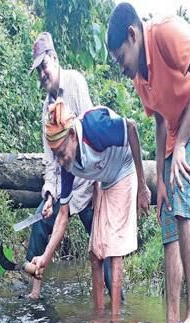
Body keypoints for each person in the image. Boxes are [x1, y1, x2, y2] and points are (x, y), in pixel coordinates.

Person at [106, 2, 190, 323]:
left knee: (183, 185)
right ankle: (172, 321)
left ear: (133, 35)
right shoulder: (141, 78)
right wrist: (158, 178)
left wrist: (182, 144)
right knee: (167, 211)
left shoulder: (165, 32)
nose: (120, 67)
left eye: (120, 56)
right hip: (172, 131)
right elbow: (157, 121)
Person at [28, 100, 151, 323]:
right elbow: (62, 217)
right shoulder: (67, 165)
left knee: (113, 252)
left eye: (62, 151)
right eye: (55, 154)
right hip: (105, 181)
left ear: (73, 136)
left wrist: (142, 186)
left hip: (124, 171)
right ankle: (98, 318)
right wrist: (45, 257)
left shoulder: (95, 128)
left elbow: (131, 127)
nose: (60, 159)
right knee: (95, 254)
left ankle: (114, 322)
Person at [27, 32, 123, 303]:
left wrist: (99, 187)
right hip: (63, 185)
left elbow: (91, 133)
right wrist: (48, 195)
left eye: (44, 66)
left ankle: (118, 303)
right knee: (40, 223)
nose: (42, 75)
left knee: (101, 243)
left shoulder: (75, 82)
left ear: (54, 58)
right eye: (38, 72)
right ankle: (34, 293)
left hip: (87, 180)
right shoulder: (46, 108)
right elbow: (50, 161)